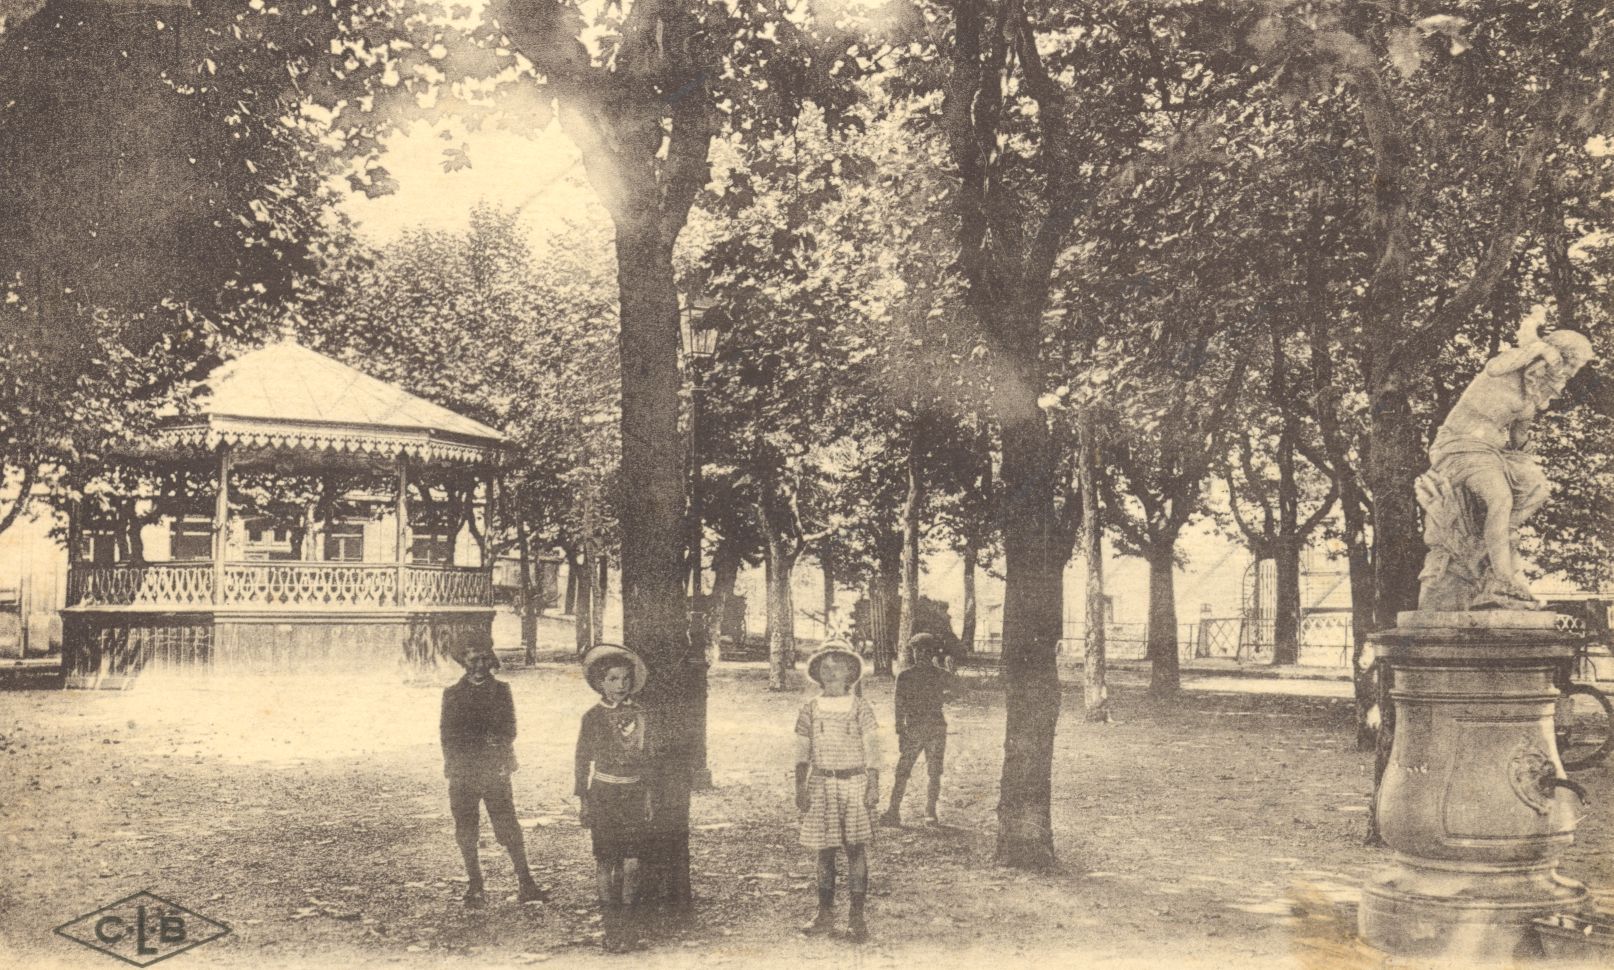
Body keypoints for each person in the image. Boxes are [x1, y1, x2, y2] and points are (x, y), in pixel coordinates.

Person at [1417, 324, 1596, 610]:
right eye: (1572, 363)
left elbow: (1518, 437)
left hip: (1493, 453)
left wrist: (1525, 453)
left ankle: (1490, 547)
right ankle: (1502, 578)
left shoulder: (1534, 394)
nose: (1572, 372)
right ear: (1557, 356)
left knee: (1537, 488)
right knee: (1500, 498)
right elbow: (1495, 366)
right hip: (1458, 445)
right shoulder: (1509, 366)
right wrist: (1538, 348)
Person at [439, 649, 544, 909]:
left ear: (492, 661)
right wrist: (456, 762)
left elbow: (510, 729)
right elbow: (447, 735)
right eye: (473, 660)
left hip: (494, 768)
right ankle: (475, 885)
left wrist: (496, 752)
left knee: (507, 824)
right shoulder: (451, 694)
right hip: (463, 770)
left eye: (485, 659)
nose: (480, 666)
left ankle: (526, 882)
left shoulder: (501, 691)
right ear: (463, 662)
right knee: (466, 827)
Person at [795, 641, 881, 943]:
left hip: (854, 784)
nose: (831, 672)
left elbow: (873, 748)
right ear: (817, 673)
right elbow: (802, 752)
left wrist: (873, 783)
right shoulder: (810, 709)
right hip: (821, 785)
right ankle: (824, 914)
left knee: (856, 849)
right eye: (825, 667)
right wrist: (800, 787)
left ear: (850, 672)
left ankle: (857, 919)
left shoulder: (861, 708)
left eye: (838, 666)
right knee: (825, 852)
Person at [575, 644, 655, 953]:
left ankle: (629, 929)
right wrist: (583, 799)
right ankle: (610, 929)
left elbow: (647, 758)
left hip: (633, 793)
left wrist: (647, 795)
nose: (619, 685)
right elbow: (581, 760)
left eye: (624, 679)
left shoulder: (641, 715)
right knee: (607, 861)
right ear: (600, 682)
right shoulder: (592, 717)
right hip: (604, 794)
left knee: (632, 864)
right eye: (612, 679)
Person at [880, 633, 954, 828]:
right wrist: (900, 730)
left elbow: (957, 691)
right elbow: (898, 706)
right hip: (919, 728)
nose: (921, 653)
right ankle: (897, 812)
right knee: (907, 771)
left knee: (931, 771)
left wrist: (948, 678)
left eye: (925, 650)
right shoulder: (909, 676)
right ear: (913, 651)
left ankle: (926, 812)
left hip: (930, 727)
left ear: (931, 653)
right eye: (918, 650)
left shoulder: (932, 675)